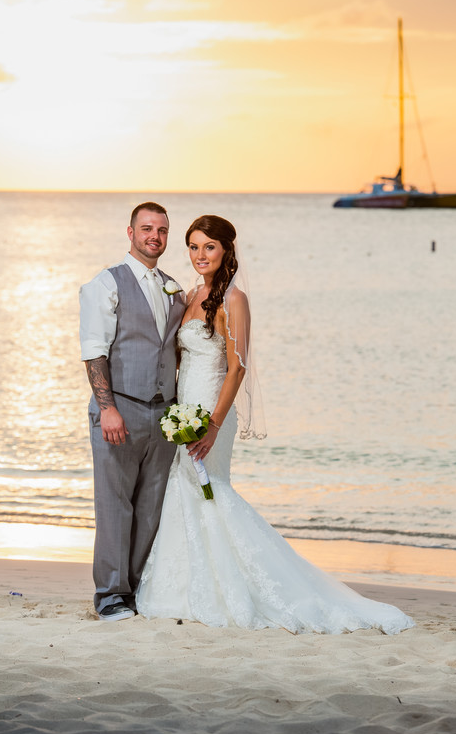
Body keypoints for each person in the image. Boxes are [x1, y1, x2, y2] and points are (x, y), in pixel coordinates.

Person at [136, 215, 415, 635]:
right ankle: (186, 588)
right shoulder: (191, 294)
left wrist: (213, 424)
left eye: (208, 247)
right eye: (193, 247)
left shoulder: (235, 299)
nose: (199, 256)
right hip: (185, 409)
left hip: (213, 409)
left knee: (210, 487)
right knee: (186, 487)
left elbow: (237, 369)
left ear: (226, 250)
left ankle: (244, 586)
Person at [79, 201, 185, 621]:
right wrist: (108, 408)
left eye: (161, 229)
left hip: (164, 418)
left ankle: (136, 591)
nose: (154, 236)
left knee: (150, 507)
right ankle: (108, 597)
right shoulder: (105, 283)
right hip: (120, 409)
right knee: (114, 505)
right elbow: (93, 352)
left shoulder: (172, 286)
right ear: (130, 232)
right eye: (146, 228)